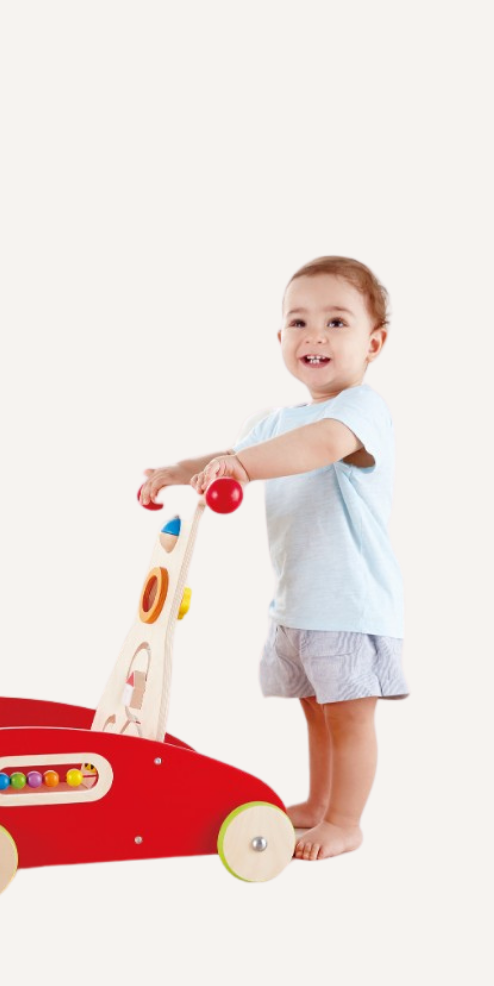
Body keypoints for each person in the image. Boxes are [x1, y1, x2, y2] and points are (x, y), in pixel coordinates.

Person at [139, 256, 408, 861]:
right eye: (299, 322)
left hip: (349, 604)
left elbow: (321, 444)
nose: (315, 335)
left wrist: (240, 466)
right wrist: (181, 472)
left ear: (375, 342)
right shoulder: (274, 422)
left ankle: (345, 822)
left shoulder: (362, 410)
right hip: (297, 603)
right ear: (281, 338)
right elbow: (236, 451)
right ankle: (317, 804)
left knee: (349, 718)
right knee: (315, 711)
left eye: (337, 322)